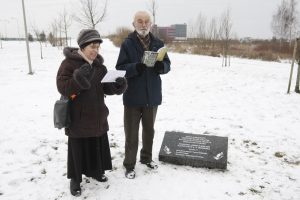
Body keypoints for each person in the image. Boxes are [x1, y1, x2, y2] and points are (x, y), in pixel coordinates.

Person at [56, 29, 127, 196]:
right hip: (78, 118)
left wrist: (117, 85)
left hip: (97, 116)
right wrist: (78, 79)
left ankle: (96, 171)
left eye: (97, 47)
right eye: (92, 47)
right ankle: (75, 179)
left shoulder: (99, 67)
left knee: (95, 144)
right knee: (78, 148)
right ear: (82, 46)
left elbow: (105, 88)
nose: (95, 50)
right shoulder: (69, 64)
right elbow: (63, 87)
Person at [115, 11, 171, 179]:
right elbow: (120, 68)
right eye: (140, 21)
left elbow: (168, 64)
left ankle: (146, 158)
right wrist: (135, 68)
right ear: (134, 24)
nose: (144, 24)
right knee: (131, 134)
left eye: (147, 21)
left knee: (149, 131)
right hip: (132, 97)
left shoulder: (158, 43)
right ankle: (129, 165)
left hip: (152, 96)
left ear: (151, 24)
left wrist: (162, 67)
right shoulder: (128, 44)